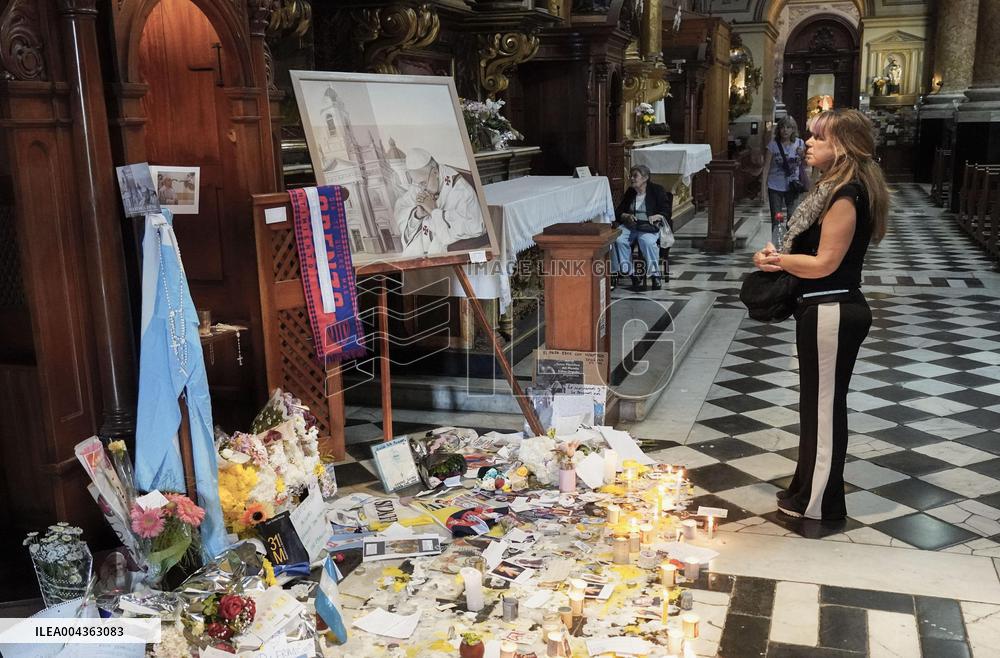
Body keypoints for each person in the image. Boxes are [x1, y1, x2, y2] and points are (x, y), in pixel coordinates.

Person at [752, 108, 889, 520]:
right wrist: (780, 258)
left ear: (843, 147)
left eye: (819, 138)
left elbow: (826, 264)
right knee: (815, 406)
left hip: (833, 307)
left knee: (824, 409)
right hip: (824, 307)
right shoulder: (835, 188)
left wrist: (780, 262)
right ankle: (805, 489)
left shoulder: (847, 194)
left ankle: (820, 503)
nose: (808, 143)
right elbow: (813, 257)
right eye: (810, 136)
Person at [394, 148, 486, 258]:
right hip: (425, 243)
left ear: (435, 172)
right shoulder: (418, 184)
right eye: (418, 184)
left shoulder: (460, 190)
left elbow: (475, 227)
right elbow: (401, 210)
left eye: (423, 183)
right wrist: (417, 216)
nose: (421, 189)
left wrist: (434, 211)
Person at [611, 165, 673, 291]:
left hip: (648, 226)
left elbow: (666, 210)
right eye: (631, 176)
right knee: (618, 239)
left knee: (647, 242)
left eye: (635, 176)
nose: (632, 179)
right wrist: (626, 215)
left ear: (645, 178)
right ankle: (631, 273)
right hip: (631, 226)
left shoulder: (657, 190)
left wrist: (658, 216)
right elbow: (618, 212)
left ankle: (655, 275)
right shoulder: (630, 192)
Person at [761, 116, 808, 244]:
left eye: (789, 127)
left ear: (793, 130)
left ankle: (790, 245)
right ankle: (776, 244)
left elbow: (805, 163)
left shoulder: (799, 143)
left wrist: (802, 155)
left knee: (792, 217)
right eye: (782, 127)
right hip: (775, 185)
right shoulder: (773, 145)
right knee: (776, 217)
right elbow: (766, 167)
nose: (785, 130)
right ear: (778, 129)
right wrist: (763, 190)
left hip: (793, 186)